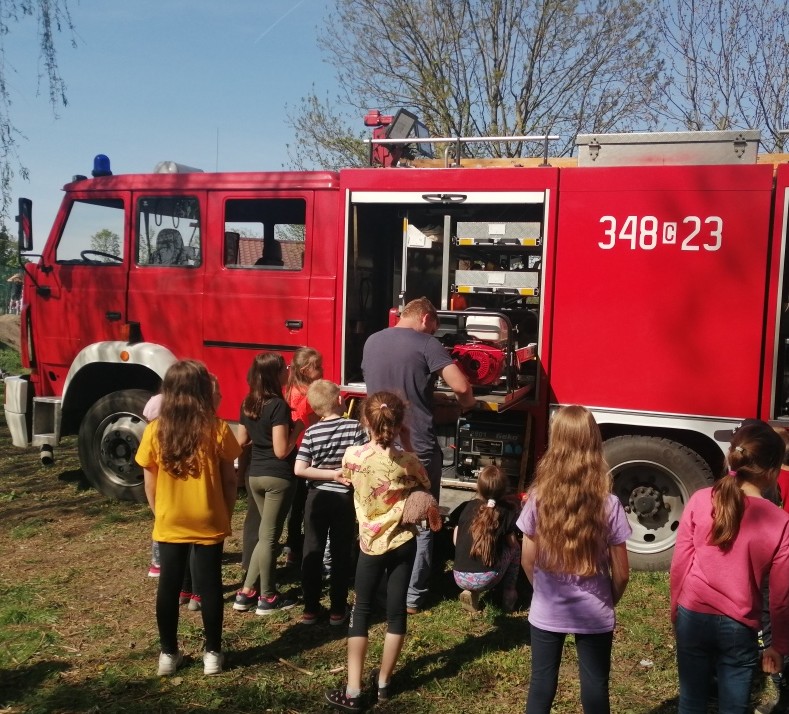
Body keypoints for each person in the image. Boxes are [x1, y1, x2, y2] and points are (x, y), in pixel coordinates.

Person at [362, 296, 475, 613]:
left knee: (383, 516)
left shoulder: (373, 341)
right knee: (422, 517)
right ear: (426, 318)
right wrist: (467, 405)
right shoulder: (427, 344)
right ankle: (412, 595)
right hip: (417, 448)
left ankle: (382, 589)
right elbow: (461, 387)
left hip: (378, 446)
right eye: (435, 326)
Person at [517, 405, 631, 714]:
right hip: (595, 611)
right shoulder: (610, 504)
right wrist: (609, 599)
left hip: (547, 608)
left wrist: (541, 589)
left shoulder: (538, 497)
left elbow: (527, 559)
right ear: (594, 442)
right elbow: (622, 573)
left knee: (540, 686)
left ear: (556, 443)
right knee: (595, 688)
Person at [671, 419, 789, 714]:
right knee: (735, 706)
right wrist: (779, 645)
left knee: (690, 700)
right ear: (773, 471)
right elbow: (781, 595)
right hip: (740, 625)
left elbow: (680, 564)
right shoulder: (780, 521)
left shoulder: (699, 500)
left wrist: (675, 609)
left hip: (692, 614)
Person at [325, 391, 432, 711]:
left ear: (365, 421)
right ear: (399, 424)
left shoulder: (352, 457)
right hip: (403, 542)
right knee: (397, 612)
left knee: (362, 611)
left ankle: (355, 690)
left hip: (370, 546)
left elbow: (347, 480)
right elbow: (424, 484)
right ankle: (384, 682)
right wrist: (408, 443)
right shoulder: (408, 461)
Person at [135, 359, 241, 676]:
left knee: (168, 586)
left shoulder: (155, 430)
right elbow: (231, 480)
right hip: (208, 515)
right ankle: (213, 654)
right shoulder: (217, 428)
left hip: (170, 518)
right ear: (202, 390)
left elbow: (148, 481)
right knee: (210, 587)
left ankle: (168, 654)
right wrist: (226, 510)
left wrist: (159, 513)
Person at [294, 379, 367, 625]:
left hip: (316, 498)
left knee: (312, 551)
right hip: (343, 498)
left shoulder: (311, 432)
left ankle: (311, 608)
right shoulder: (355, 428)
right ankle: (337, 609)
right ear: (339, 400)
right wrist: (338, 475)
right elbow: (360, 461)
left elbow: (300, 469)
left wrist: (325, 474)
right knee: (340, 552)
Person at [234, 352, 299, 615]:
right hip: (277, 477)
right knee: (271, 537)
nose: (289, 370)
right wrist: (298, 429)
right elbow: (282, 450)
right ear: (276, 375)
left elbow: (241, 441)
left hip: (254, 475)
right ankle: (268, 596)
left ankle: (246, 592)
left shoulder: (248, 402)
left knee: (265, 535)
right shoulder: (278, 406)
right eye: (285, 367)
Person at [452, 465, 520, 613]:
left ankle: (471, 592)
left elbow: (456, 536)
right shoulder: (507, 511)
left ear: (478, 487)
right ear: (505, 489)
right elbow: (512, 543)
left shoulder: (466, 506)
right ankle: (509, 593)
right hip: (486, 578)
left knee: (461, 533)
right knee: (515, 550)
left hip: (459, 576)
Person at [284, 347, 323, 567]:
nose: (323, 369)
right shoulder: (305, 393)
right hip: (305, 450)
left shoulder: (294, 389)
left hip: (301, 449)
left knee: (297, 503)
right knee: (301, 501)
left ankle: (293, 546)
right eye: (318, 366)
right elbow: (302, 423)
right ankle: (295, 547)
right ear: (306, 369)